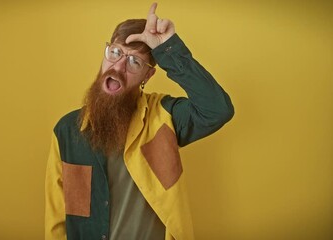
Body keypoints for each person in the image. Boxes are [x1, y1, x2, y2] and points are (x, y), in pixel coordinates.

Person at [45, 3, 234, 240]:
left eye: (134, 62)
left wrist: (168, 49)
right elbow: (57, 220)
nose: (119, 66)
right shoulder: (66, 131)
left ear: (148, 75)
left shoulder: (164, 117)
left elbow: (217, 109)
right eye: (115, 52)